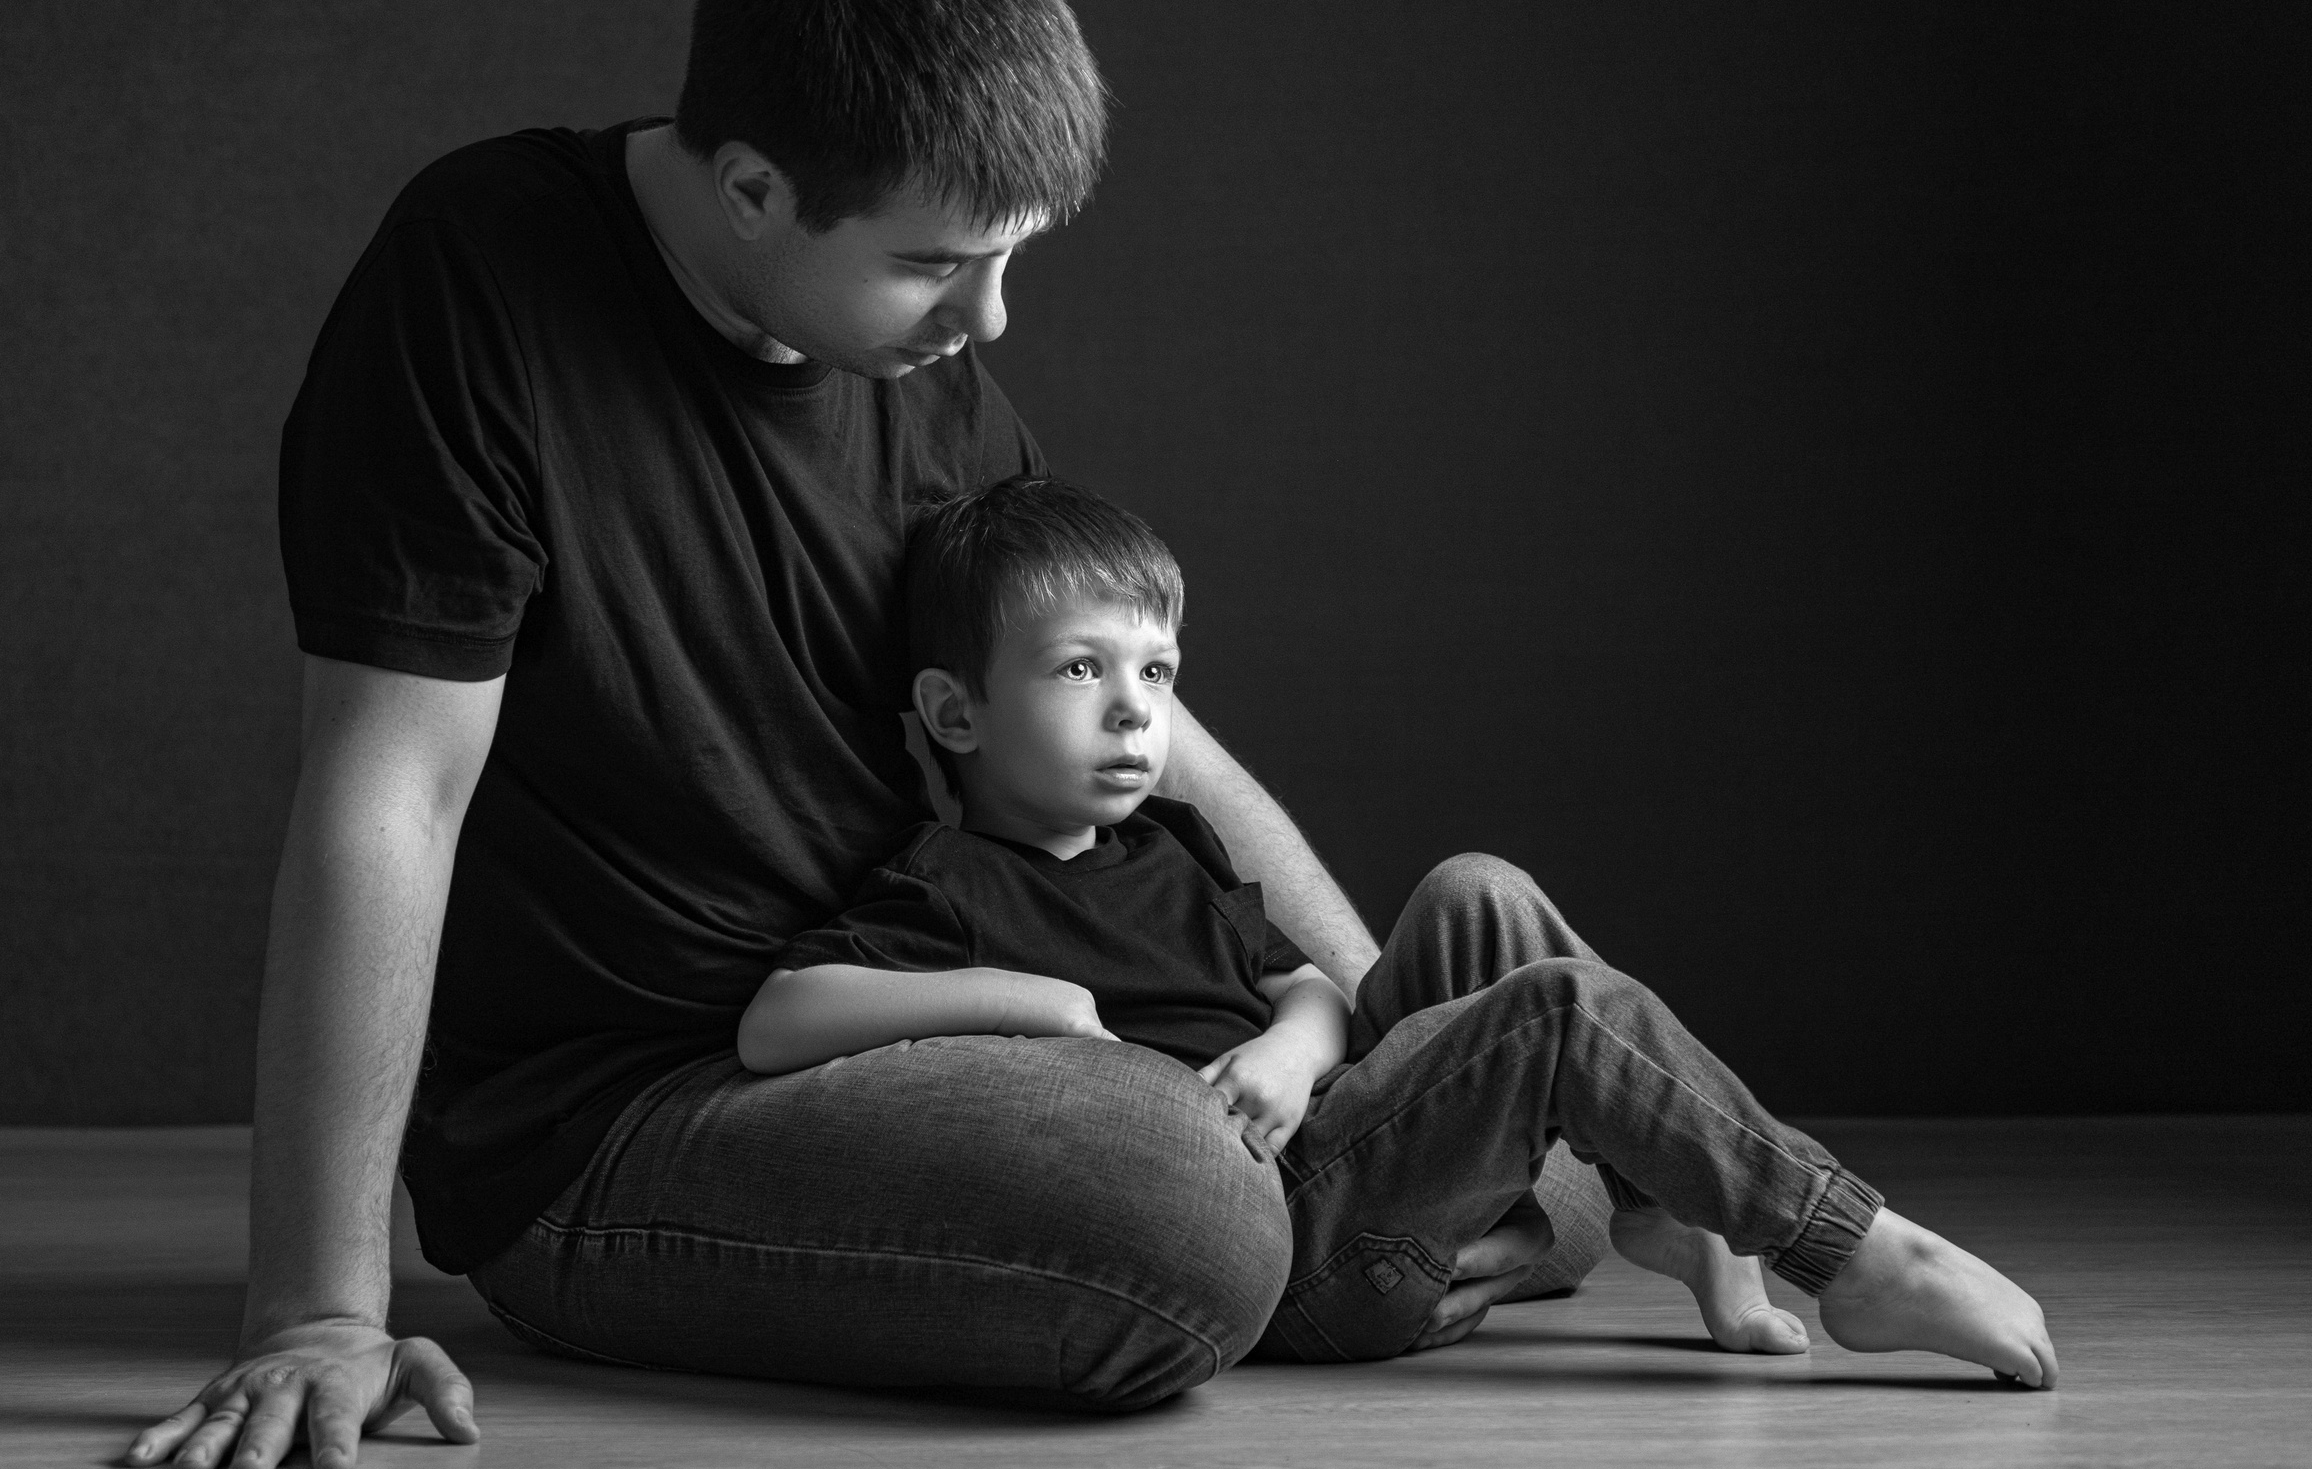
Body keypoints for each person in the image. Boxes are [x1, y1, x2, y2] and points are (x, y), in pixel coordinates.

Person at [128, 0, 1593, 1469]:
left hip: (948, 1034)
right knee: (1183, 1206)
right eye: (935, 265)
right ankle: (1351, 1248)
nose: (987, 317)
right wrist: (318, 1311)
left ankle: (1373, 1222)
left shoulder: (933, 385)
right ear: (753, 186)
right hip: (639, 1112)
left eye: (1011, 261)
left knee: (1517, 1097)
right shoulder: (481, 285)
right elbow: (389, 787)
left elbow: (1145, 733)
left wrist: (1389, 1054)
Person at [736, 475, 2061, 1383]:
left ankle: (1686, 1222)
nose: (1137, 713)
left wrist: (1295, 1045)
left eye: (1156, 673)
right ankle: (1856, 1251)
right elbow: (777, 1016)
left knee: (1477, 890)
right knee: (1553, 1009)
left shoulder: (1170, 846)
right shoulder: (951, 881)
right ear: (956, 714)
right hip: (1300, 1242)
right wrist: (1030, 1004)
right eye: (1081, 670)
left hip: (1336, 1126)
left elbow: (1305, 981)